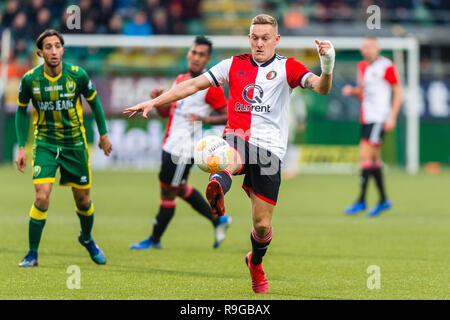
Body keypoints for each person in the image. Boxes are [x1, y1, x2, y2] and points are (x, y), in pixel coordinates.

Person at [124, 14, 334, 294]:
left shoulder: (288, 68)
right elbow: (192, 85)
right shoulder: (232, 65)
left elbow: (321, 87)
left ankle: (255, 262)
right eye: (254, 38)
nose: (259, 43)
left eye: (265, 38)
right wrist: (154, 101)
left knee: (261, 226)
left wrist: (327, 62)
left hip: (271, 150)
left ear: (276, 40)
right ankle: (218, 185)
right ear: (249, 38)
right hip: (238, 137)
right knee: (231, 156)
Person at [15, 29, 113, 267]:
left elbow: (95, 102)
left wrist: (103, 134)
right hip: (45, 144)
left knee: (82, 200)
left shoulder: (77, 75)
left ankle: (87, 239)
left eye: (57, 46)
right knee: (41, 196)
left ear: (63, 49)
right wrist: (20, 147)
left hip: (74, 145)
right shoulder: (30, 79)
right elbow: (20, 111)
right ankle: (32, 253)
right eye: (48, 47)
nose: (54, 51)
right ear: (40, 53)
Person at [129, 36, 231, 250]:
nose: (196, 57)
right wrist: (158, 100)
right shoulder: (180, 79)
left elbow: (227, 114)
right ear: (188, 53)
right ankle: (218, 219)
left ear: (208, 59)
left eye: (201, 54)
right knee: (180, 188)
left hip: (183, 150)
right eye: (193, 52)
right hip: (170, 145)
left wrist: (205, 119)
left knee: (168, 192)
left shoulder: (210, 86)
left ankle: (154, 240)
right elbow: (168, 113)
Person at [342, 37, 403, 217]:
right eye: (364, 47)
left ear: (377, 48)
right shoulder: (362, 67)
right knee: (374, 161)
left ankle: (361, 200)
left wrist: (392, 116)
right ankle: (383, 200)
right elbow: (363, 91)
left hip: (379, 118)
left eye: (369, 47)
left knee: (365, 156)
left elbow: (398, 92)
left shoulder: (386, 66)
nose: (366, 50)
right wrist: (352, 91)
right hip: (366, 118)